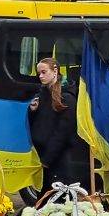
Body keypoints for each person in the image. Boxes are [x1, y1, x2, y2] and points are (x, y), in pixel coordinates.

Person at [28, 57, 79, 191]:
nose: (41, 76)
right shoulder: (41, 94)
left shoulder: (66, 97)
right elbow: (36, 124)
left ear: (55, 71)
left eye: (44, 72)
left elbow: (63, 132)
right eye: (39, 73)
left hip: (58, 159)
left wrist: (47, 159)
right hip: (41, 154)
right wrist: (32, 111)